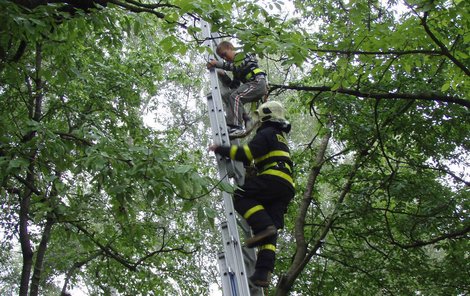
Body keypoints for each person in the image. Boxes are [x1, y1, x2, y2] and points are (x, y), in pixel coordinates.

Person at [208, 101, 295, 287]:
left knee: (240, 195)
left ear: (265, 116)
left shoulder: (267, 133)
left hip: (274, 178)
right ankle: (262, 273)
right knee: (271, 235)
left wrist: (220, 149)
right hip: (286, 186)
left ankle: (264, 227)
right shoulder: (279, 136)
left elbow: (246, 153)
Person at [207, 41, 268, 137]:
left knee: (236, 97)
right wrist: (224, 76)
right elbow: (234, 86)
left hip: (258, 82)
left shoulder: (243, 55)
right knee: (233, 95)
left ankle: (236, 127)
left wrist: (217, 64)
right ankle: (246, 118)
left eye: (225, 54)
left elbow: (236, 66)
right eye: (222, 58)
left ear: (230, 48)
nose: (225, 58)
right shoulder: (236, 69)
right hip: (253, 84)